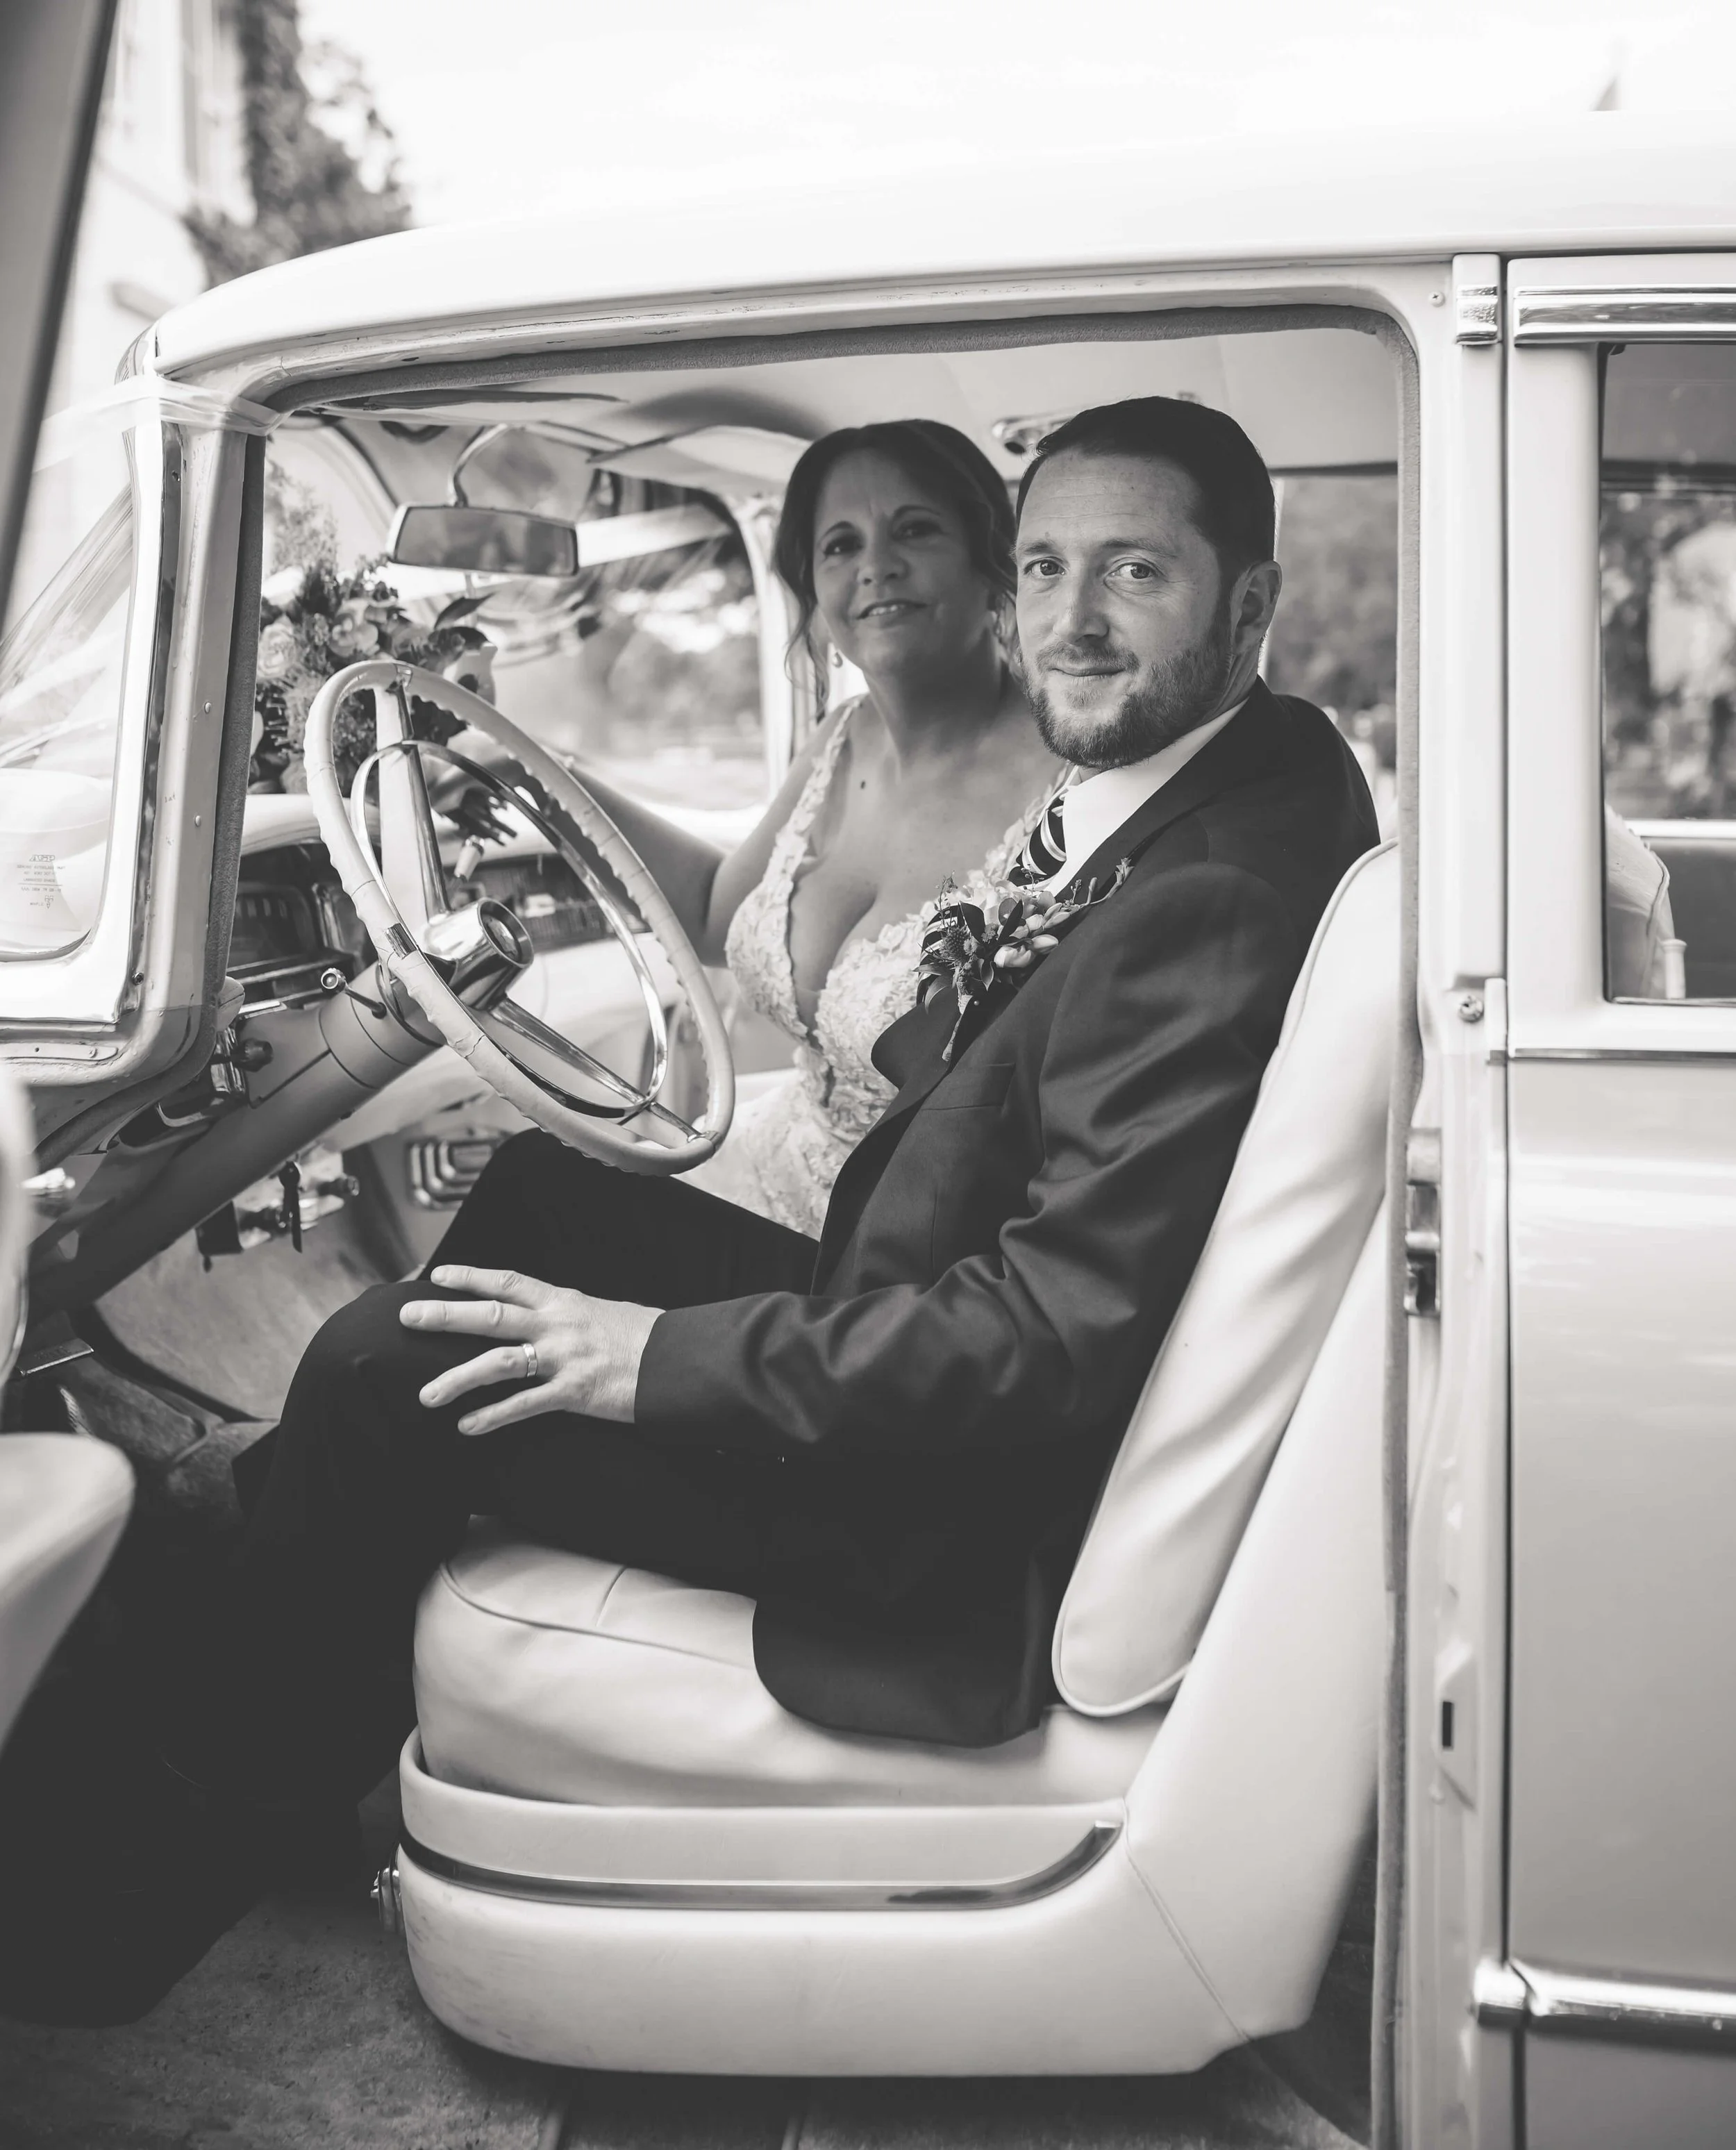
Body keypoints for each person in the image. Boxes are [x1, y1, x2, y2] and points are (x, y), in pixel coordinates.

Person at [190, 394, 1378, 1858]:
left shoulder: (1205, 896)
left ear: (1247, 604)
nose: (1070, 619)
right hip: (900, 1287)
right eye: (1050, 567)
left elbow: (1043, 1340)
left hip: (933, 1504)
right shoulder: (1242, 774)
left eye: (1135, 572)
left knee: (387, 1361)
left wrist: (648, 1360)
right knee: (546, 1205)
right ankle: (311, 1579)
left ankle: (232, 1811)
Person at [558, 419, 1061, 1233]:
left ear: (988, 563)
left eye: (916, 530)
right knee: (539, 1185)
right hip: (761, 1175)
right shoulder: (842, 737)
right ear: (815, 595)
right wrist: (543, 776)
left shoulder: (1068, 780)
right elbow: (716, 918)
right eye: (839, 545)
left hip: (890, 1259)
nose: (875, 567)